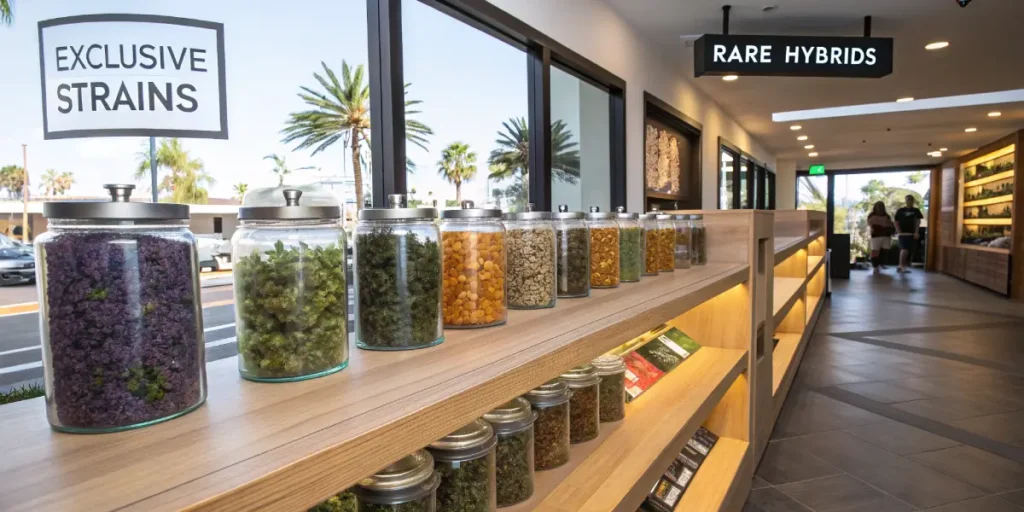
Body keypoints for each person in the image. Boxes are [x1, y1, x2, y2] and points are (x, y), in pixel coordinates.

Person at [894, 195, 924, 273]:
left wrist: (916, 232)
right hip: (903, 233)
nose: (909, 201)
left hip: (912, 233)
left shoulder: (916, 210)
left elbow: (917, 221)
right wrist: (899, 231)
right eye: (908, 200)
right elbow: (896, 221)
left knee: (908, 250)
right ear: (906, 201)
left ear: (913, 201)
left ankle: (903, 265)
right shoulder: (900, 210)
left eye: (911, 200)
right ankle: (900, 265)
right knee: (904, 249)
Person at [866, 201, 895, 275]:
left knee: (884, 250)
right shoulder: (871, 215)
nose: (879, 208)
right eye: (878, 206)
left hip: (886, 235)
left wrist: (890, 228)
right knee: (875, 251)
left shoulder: (887, 216)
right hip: (876, 236)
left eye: (881, 206)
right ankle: (875, 266)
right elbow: (870, 223)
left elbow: (890, 224)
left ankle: (880, 264)